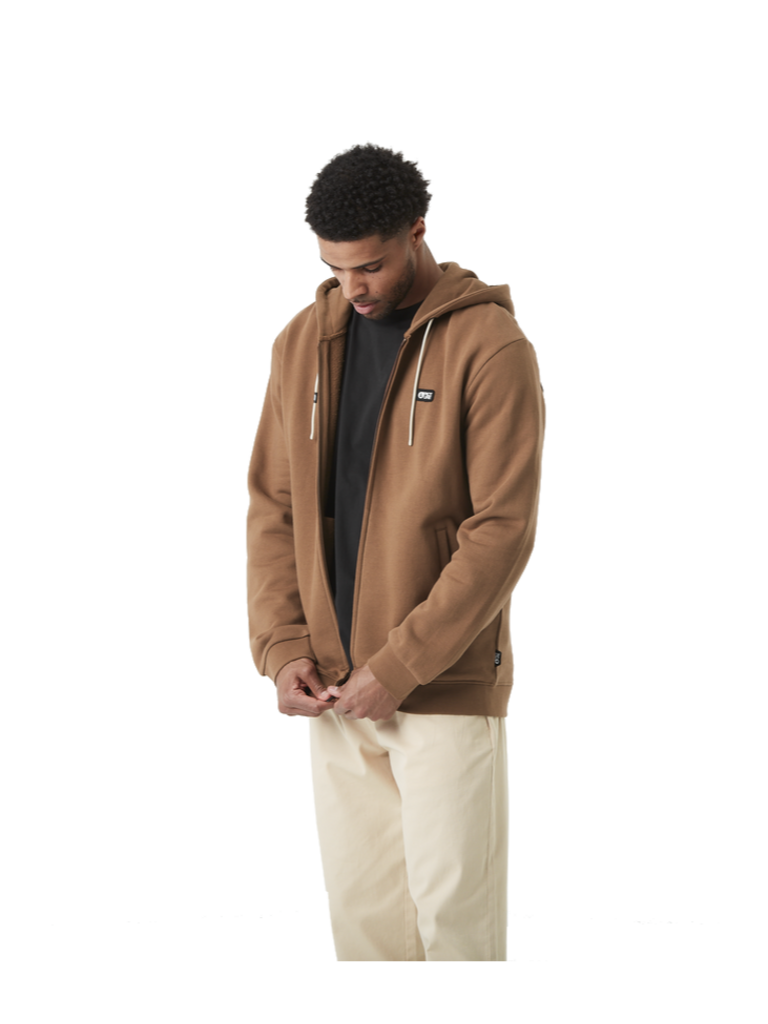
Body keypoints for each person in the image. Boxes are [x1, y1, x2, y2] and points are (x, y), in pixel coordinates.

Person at [245, 143, 546, 961]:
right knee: (365, 929)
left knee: (455, 926)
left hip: (442, 686)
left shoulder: (490, 346)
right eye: (336, 269)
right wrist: (283, 648)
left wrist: (402, 665)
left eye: (371, 266)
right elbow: (272, 507)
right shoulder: (300, 343)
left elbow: (502, 529)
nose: (355, 287)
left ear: (418, 229)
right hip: (333, 689)